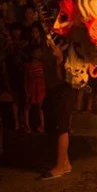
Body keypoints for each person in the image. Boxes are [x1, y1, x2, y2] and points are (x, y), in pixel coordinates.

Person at [39, 40, 73, 180]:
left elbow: (63, 77)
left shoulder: (66, 48)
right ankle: (65, 163)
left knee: (62, 128)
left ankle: (60, 167)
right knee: (56, 127)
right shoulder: (51, 45)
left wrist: (59, 58)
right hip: (53, 90)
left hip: (62, 91)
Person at [24, 46, 46, 133]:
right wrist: (26, 90)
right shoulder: (27, 65)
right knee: (28, 106)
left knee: (41, 107)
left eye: (40, 52)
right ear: (32, 54)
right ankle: (27, 125)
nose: (39, 54)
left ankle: (42, 125)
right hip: (31, 88)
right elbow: (25, 78)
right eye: (37, 52)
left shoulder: (42, 64)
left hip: (40, 88)